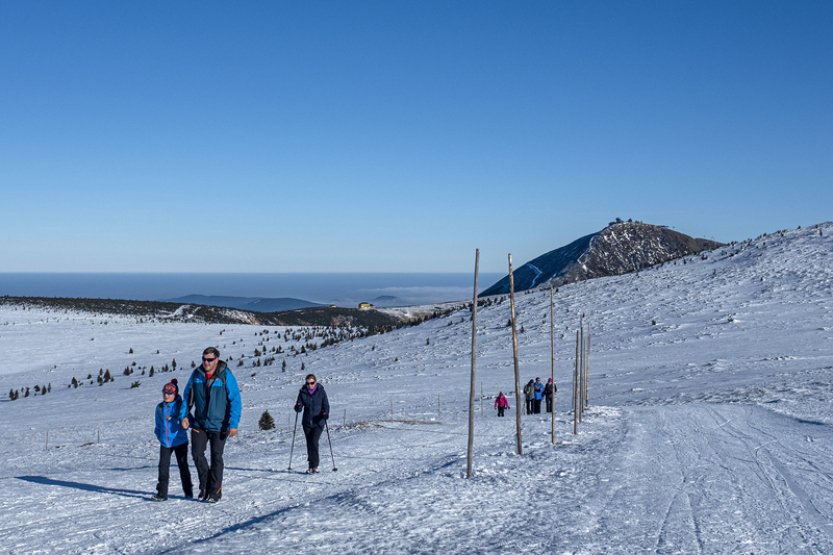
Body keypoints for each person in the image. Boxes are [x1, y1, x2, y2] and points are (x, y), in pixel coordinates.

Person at [181, 347, 242, 503]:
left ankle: (215, 490)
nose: (206, 362)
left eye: (209, 360)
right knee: (196, 454)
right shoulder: (196, 375)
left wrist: (233, 424)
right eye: (204, 359)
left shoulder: (225, 375)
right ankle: (205, 485)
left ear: (216, 360)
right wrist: (184, 416)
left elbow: (235, 400)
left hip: (219, 425)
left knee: (216, 457)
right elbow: (187, 396)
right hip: (199, 423)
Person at [152, 379, 193, 501]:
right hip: (165, 443)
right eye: (164, 393)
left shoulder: (181, 406)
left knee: (183, 467)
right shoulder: (159, 408)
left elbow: (187, 419)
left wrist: (187, 424)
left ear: (175, 394)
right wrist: (159, 436)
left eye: (169, 393)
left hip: (180, 442)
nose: (166, 395)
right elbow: (158, 424)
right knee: (163, 467)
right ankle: (161, 494)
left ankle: (188, 492)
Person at [294, 373, 330, 474]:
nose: (310, 385)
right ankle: (310, 466)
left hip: (318, 421)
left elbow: (326, 405)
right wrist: (298, 407)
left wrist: (325, 413)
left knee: (314, 442)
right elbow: (299, 405)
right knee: (309, 443)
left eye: (312, 383)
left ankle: (315, 465)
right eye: (308, 383)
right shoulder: (302, 392)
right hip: (307, 422)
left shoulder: (321, 392)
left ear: (315, 382)